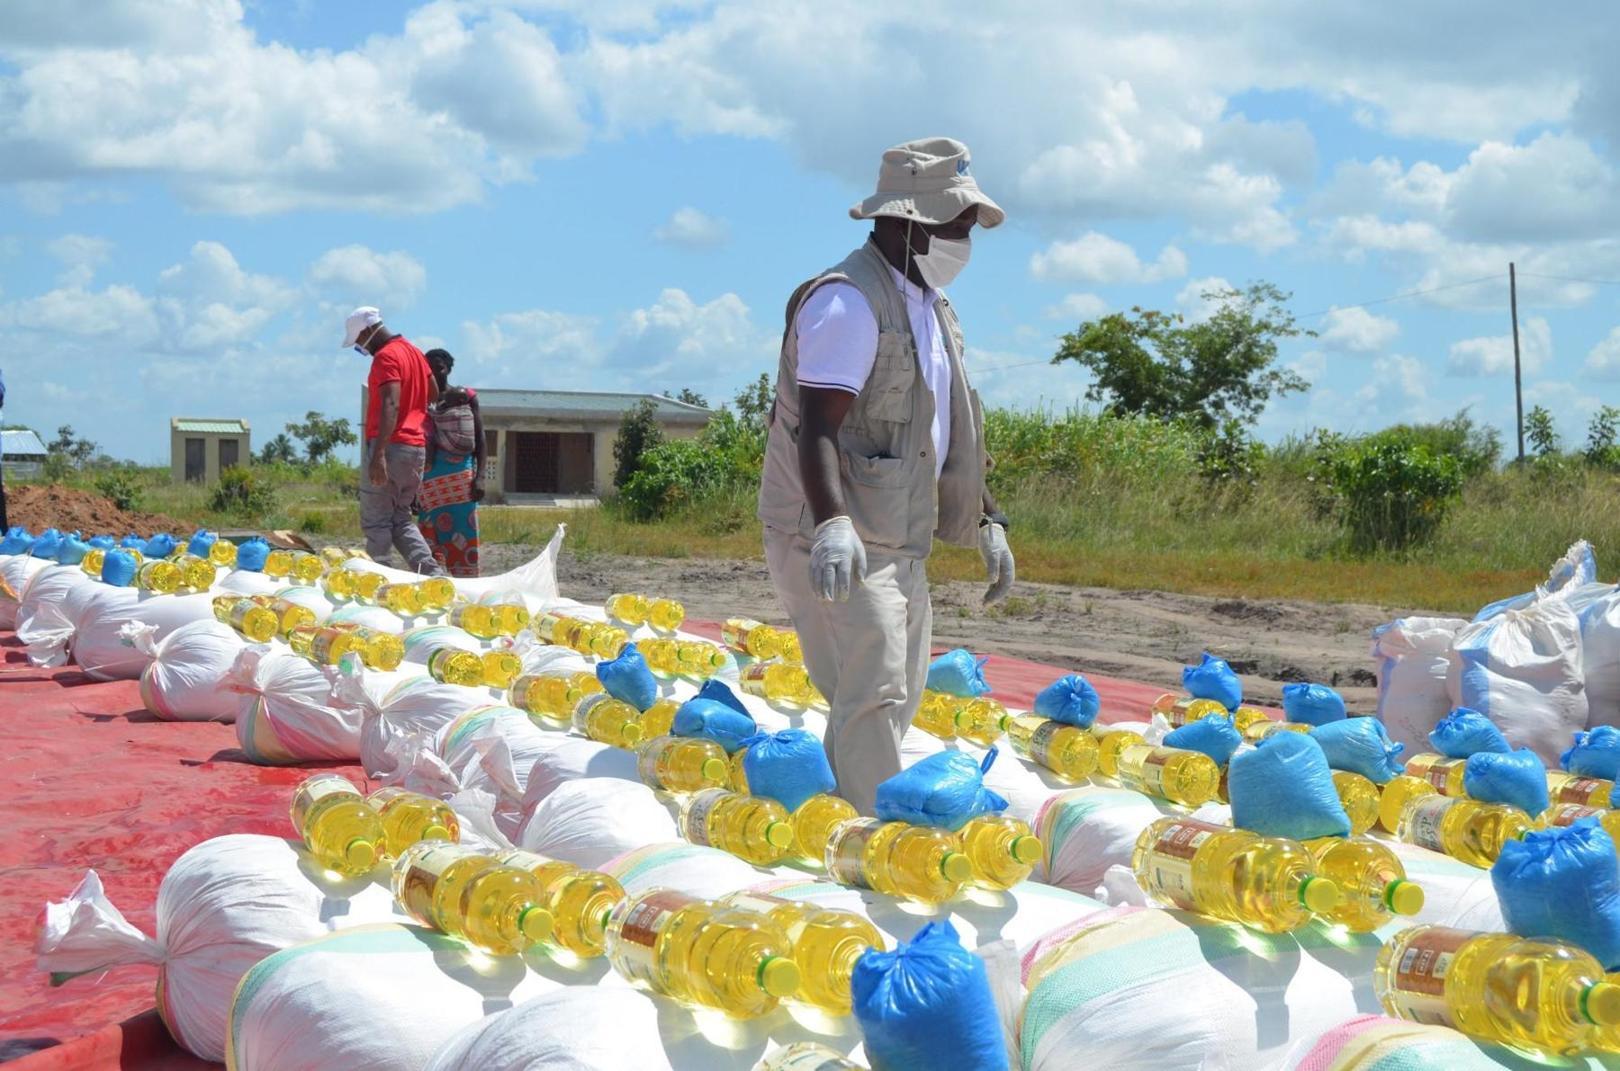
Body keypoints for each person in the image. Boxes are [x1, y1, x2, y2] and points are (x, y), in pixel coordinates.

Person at [757, 137, 1016, 815]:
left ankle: (855, 810)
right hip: (836, 531)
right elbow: (817, 425)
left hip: (899, 535)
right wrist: (835, 526)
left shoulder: (929, 307)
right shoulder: (848, 304)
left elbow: (947, 428)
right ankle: (879, 839)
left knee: (895, 689)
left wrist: (988, 517)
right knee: (870, 694)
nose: (964, 241)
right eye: (954, 226)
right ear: (905, 221)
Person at [341, 306, 446, 576]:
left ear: (367, 331)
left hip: (390, 447)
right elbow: (433, 391)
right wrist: (414, 411)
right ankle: (433, 576)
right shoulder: (413, 351)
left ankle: (380, 580)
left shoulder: (386, 357)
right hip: (415, 448)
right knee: (400, 518)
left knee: (376, 523)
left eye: (359, 343)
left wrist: (379, 456)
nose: (362, 349)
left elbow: (390, 402)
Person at [417, 348, 485, 577]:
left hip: (460, 478)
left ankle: (465, 582)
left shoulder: (465, 397)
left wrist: (480, 476)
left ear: (449, 368)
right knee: (428, 535)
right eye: (430, 368)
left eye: (440, 367)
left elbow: (480, 438)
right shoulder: (421, 400)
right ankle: (432, 582)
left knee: (463, 530)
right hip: (430, 479)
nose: (436, 372)